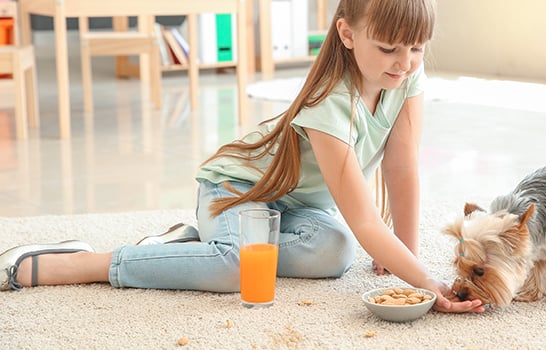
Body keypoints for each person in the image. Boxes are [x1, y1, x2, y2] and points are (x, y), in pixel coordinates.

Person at [0, 0, 484, 313]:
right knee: (237, 266)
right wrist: (427, 284)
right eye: (389, 47)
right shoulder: (327, 104)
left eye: (417, 49)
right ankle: (88, 263)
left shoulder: (406, 79)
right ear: (347, 33)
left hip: (300, 206)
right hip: (238, 190)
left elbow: (401, 169)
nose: (405, 62)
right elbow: (364, 219)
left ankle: (188, 248)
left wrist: (406, 258)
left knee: (336, 252)